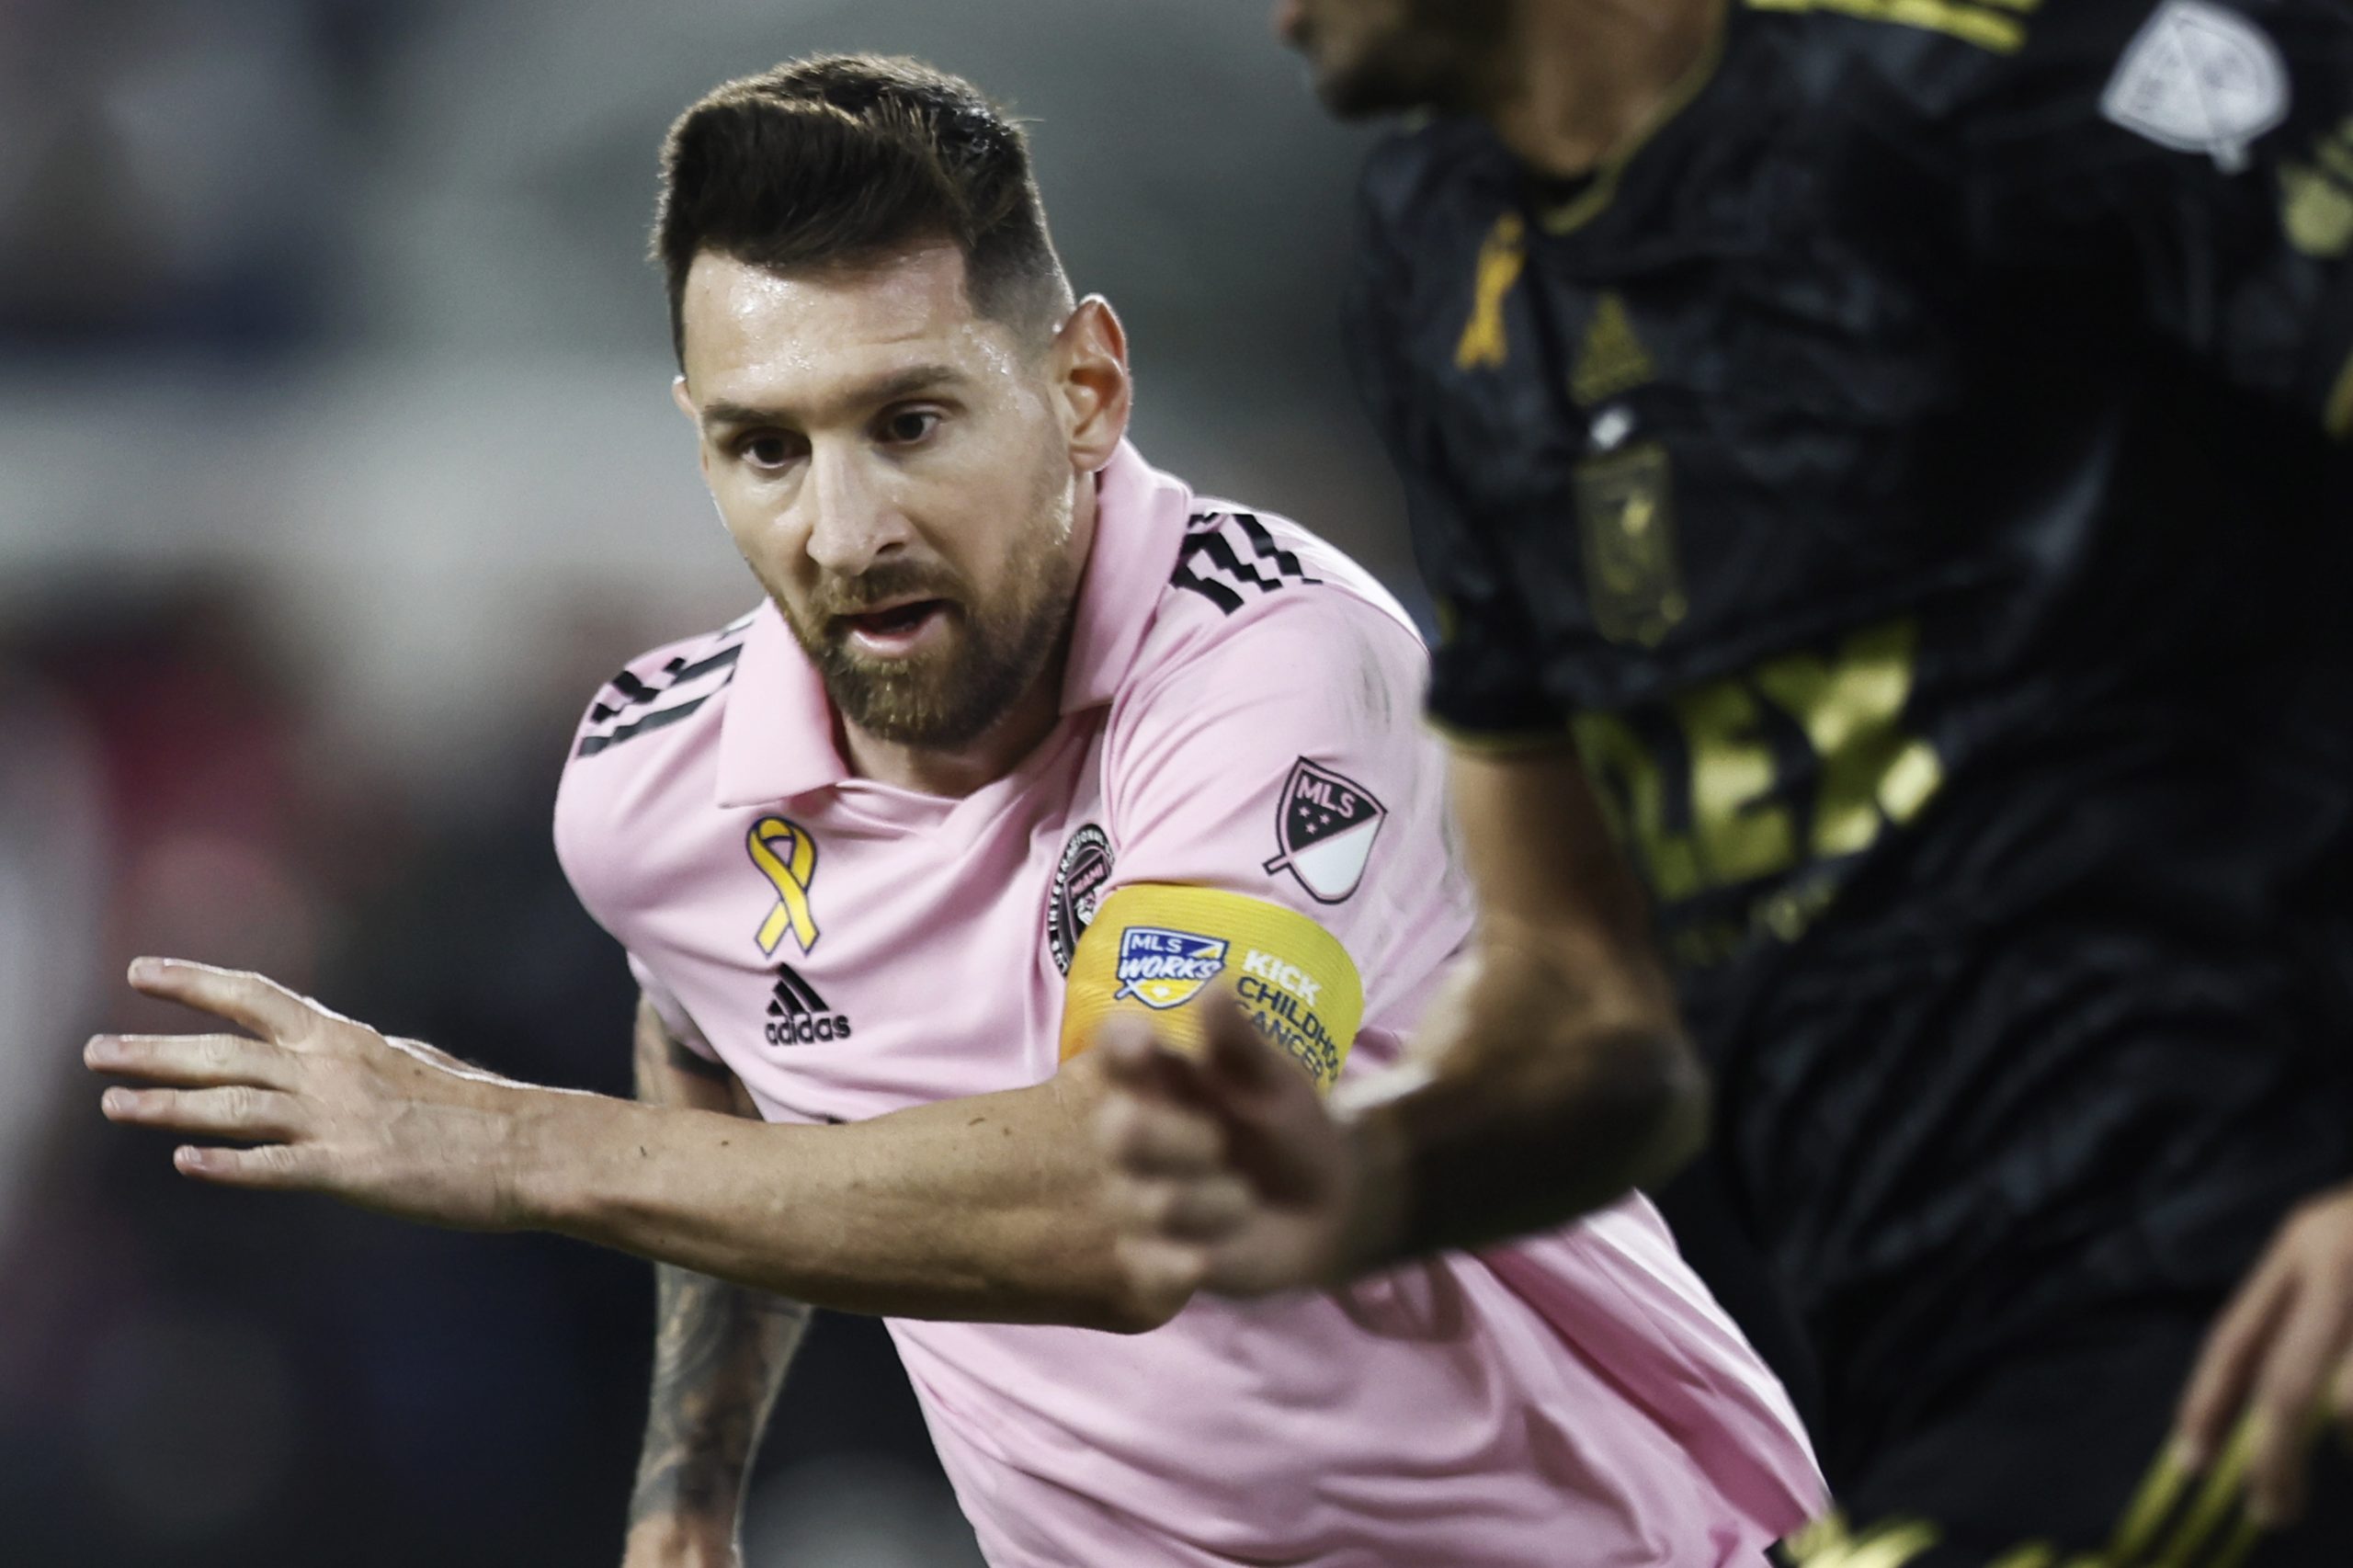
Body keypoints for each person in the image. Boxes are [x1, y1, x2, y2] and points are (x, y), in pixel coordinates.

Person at [83, 54, 1824, 1568]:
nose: (846, 531)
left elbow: (1142, 1206)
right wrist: (690, 1486)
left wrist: (515, 1146)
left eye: (910, 420)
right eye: (767, 449)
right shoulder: (648, 787)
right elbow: (709, 1044)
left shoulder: (1282, 663)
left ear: (1084, 388)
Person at [1095, 0, 2353, 1560]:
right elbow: (1590, 1001)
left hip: (2248, 1315)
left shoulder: (2014, 59)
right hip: (1939, 1388)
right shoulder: (1447, 259)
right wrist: (1362, 1175)